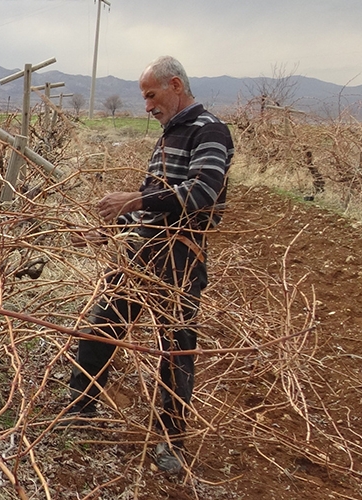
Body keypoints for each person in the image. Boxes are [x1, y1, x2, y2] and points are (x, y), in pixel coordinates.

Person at [63, 56, 234, 473]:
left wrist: (136, 199)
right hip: (140, 250)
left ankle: (171, 441)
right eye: (144, 97)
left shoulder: (209, 130)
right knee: (102, 326)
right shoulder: (168, 134)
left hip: (180, 257)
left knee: (175, 347)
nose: (147, 106)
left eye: (151, 95)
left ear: (175, 85)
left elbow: (203, 192)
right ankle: (80, 409)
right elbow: (151, 205)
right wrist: (112, 229)